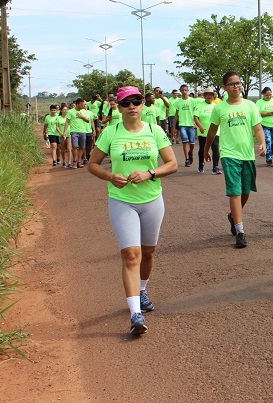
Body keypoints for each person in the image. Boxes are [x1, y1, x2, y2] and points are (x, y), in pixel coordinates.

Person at [87, 86, 178, 335]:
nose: (132, 107)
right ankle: (135, 314)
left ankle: (143, 290)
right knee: (131, 255)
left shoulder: (154, 130)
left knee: (147, 254)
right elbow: (92, 164)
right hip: (121, 200)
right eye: (126, 103)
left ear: (142, 105)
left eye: (136, 101)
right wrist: (108, 176)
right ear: (119, 107)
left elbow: (172, 164)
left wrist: (150, 173)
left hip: (151, 200)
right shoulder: (110, 132)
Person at [204, 71, 266, 249]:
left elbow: (258, 128)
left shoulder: (250, 106)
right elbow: (211, 130)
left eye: (238, 83)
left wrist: (262, 143)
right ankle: (240, 231)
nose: (236, 86)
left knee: (245, 192)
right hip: (229, 155)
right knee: (235, 192)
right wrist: (206, 149)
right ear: (225, 88)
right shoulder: (220, 108)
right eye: (232, 84)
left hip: (247, 155)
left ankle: (233, 215)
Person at [194, 87, 221, 174]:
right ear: (204, 96)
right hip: (203, 132)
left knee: (215, 148)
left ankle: (215, 167)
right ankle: (201, 164)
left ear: (213, 96)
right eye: (207, 94)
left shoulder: (216, 106)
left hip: (214, 131)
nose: (209, 96)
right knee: (202, 149)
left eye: (211, 94)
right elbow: (196, 117)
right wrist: (200, 126)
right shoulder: (200, 106)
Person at [255, 86, 273, 167]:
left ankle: (268, 153)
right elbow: (257, 113)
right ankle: (269, 159)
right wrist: (267, 114)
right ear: (263, 94)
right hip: (265, 125)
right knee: (268, 141)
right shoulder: (259, 102)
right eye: (267, 95)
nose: (269, 97)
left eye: (270, 95)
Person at [174, 84, 199, 167]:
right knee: (185, 142)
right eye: (182, 90)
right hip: (182, 124)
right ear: (180, 91)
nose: (184, 92)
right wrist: (174, 125)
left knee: (192, 143)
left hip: (191, 124)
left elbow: (196, 112)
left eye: (185, 90)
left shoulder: (192, 101)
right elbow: (176, 114)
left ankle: (190, 152)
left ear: (188, 91)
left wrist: (196, 122)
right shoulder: (178, 102)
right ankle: (187, 159)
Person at [64, 98, 91, 169]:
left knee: (82, 147)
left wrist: (82, 117)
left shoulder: (84, 112)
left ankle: (79, 161)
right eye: (81, 105)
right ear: (77, 104)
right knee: (75, 146)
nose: (83, 106)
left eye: (84, 105)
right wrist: (64, 132)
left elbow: (88, 121)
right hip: (74, 131)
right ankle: (75, 161)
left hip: (82, 131)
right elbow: (67, 122)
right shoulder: (70, 112)